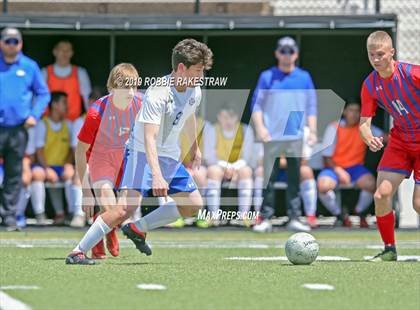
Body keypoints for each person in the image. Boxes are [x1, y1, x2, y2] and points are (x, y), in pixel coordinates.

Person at [65, 38, 213, 265]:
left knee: (193, 204)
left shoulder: (195, 89)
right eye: (198, 70)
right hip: (141, 154)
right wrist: (156, 173)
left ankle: (138, 228)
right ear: (182, 68)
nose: (201, 76)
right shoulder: (158, 93)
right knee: (123, 209)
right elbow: (149, 138)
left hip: (169, 157)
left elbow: (190, 114)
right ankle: (77, 252)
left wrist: (194, 146)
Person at [359, 31, 419, 261]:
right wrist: (368, 138)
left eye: (380, 54)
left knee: (418, 204)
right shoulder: (370, 84)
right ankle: (389, 249)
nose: (375, 60)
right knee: (381, 195)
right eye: (371, 55)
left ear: (392, 53)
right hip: (401, 142)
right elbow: (364, 123)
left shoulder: (411, 74)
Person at [73, 63, 142, 259]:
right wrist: (86, 191)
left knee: (123, 211)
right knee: (109, 206)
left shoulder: (141, 107)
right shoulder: (97, 112)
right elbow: (79, 152)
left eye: (133, 86)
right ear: (111, 89)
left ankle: (105, 223)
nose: (130, 92)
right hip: (100, 158)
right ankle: (105, 233)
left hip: (125, 159)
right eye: (124, 87)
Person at [251, 36, 317, 233]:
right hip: (271, 135)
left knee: (294, 178)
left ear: (296, 54)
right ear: (277, 54)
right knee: (267, 179)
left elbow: (311, 106)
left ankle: (295, 217)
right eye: (283, 51)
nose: (286, 55)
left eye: (290, 51)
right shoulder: (267, 76)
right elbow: (257, 105)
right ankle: (265, 218)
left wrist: (312, 130)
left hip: (295, 136)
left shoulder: (304, 77)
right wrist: (260, 128)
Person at [0, 27, 50, 231]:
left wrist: (34, 115)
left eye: (15, 41)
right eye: (7, 41)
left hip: (18, 129)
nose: (12, 44)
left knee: (14, 173)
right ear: (1, 43)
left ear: (20, 44)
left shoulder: (30, 66)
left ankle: (9, 217)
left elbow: (43, 94)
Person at [318, 101, 385, 227]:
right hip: (334, 167)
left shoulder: (364, 127)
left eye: (357, 111)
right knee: (323, 186)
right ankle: (340, 215)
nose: (353, 114)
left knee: (371, 184)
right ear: (344, 112)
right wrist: (339, 171)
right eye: (350, 110)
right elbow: (327, 157)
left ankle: (360, 212)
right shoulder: (334, 127)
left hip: (356, 168)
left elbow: (385, 137)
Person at [253, 127, 318, 231]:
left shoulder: (303, 131)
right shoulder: (271, 127)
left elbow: (303, 160)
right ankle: (260, 216)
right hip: (273, 171)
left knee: (306, 171)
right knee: (261, 171)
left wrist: (280, 161)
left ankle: (310, 215)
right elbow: (261, 160)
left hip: (293, 171)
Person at [205, 102, 254, 226]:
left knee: (246, 171)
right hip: (219, 167)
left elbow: (247, 157)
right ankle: (214, 216)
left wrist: (234, 167)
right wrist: (225, 166)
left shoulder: (245, 130)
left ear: (237, 117)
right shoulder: (212, 130)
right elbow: (209, 156)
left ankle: (244, 216)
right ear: (219, 117)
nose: (228, 121)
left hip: (239, 167)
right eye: (224, 117)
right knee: (212, 171)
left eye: (231, 117)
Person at [32, 92, 74, 225]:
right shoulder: (42, 124)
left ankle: (70, 214)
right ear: (55, 105)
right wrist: (47, 169)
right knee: (37, 174)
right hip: (44, 165)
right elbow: (39, 151)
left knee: (71, 174)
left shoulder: (68, 125)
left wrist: (68, 164)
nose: (67, 106)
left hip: (61, 166)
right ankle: (40, 214)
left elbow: (72, 150)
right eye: (64, 103)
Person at [168, 114, 212, 228]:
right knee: (172, 176)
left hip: (200, 165)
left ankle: (201, 215)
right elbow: (174, 151)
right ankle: (179, 215)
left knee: (200, 175)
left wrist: (194, 165)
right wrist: (185, 166)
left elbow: (209, 154)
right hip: (181, 165)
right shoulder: (177, 126)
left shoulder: (206, 127)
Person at [43, 40, 92, 121]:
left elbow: (88, 99)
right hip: (49, 123)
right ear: (55, 52)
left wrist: (92, 119)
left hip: (73, 122)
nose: (65, 53)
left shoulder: (80, 72)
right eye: (61, 50)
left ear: (72, 53)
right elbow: (37, 98)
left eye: (68, 50)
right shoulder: (45, 72)